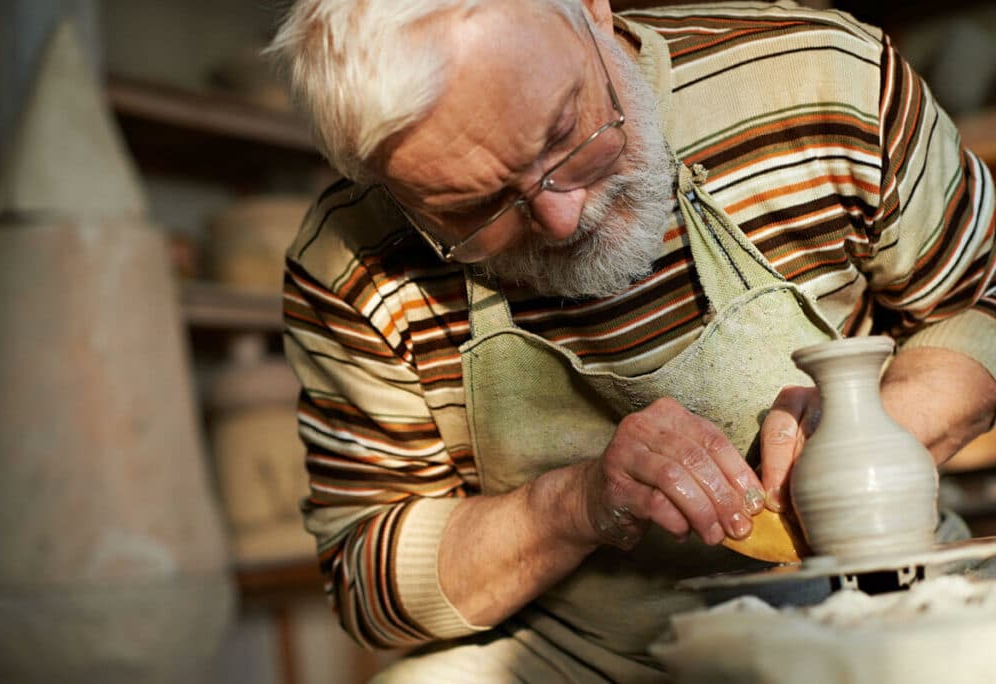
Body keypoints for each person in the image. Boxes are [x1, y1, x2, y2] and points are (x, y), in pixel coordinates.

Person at [267, 0, 996, 680]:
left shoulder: (827, 79)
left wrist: (873, 431)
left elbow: (984, 296)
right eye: (478, 207)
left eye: (564, 136)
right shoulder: (351, 259)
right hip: (577, 654)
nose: (559, 217)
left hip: (879, 598)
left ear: (591, 10)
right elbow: (366, 576)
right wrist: (573, 505)